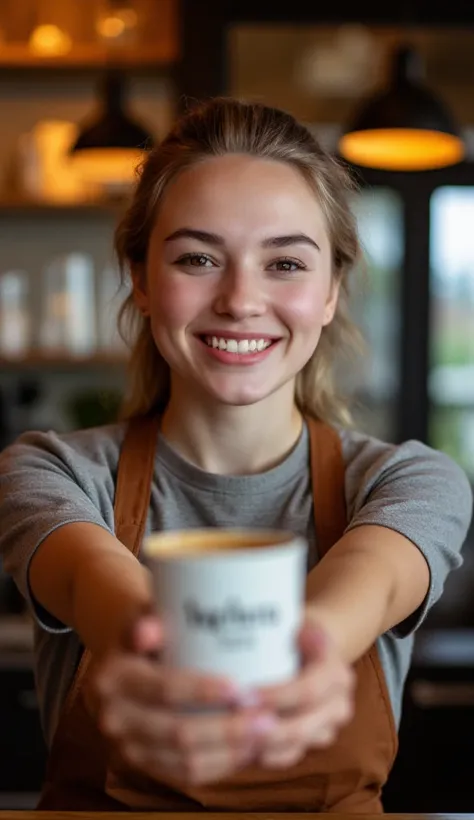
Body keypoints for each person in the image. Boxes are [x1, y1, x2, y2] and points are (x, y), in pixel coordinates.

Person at [0, 97, 472, 813]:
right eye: (197, 258)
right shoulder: (49, 473)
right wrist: (148, 648)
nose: (241, 299)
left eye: (285, 262)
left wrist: (307, 651)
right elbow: (96, 582)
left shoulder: (408, 481)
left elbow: (367, 585)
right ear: (141, 278)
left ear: (331, 293)